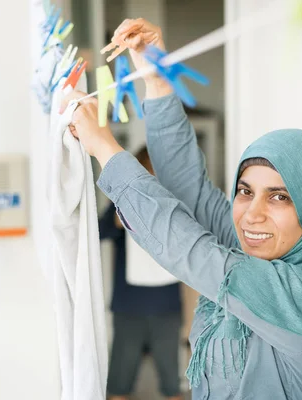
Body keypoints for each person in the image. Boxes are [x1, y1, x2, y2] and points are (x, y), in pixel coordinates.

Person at [62, 18, 302, 400]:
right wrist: (156, 82)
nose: (251, 214)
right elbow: (189, 189)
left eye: (279, 197)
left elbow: (197, 254)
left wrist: (104, 148)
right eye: (246, 191)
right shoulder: (259, 251)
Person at [98, 146, 183, 400]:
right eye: (148, 169)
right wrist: (118, 216)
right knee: (120, 382)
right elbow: (98, 232)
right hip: (129, 306)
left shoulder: (177, 202)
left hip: (167, 304)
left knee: (172, 383)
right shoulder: (122, 202)